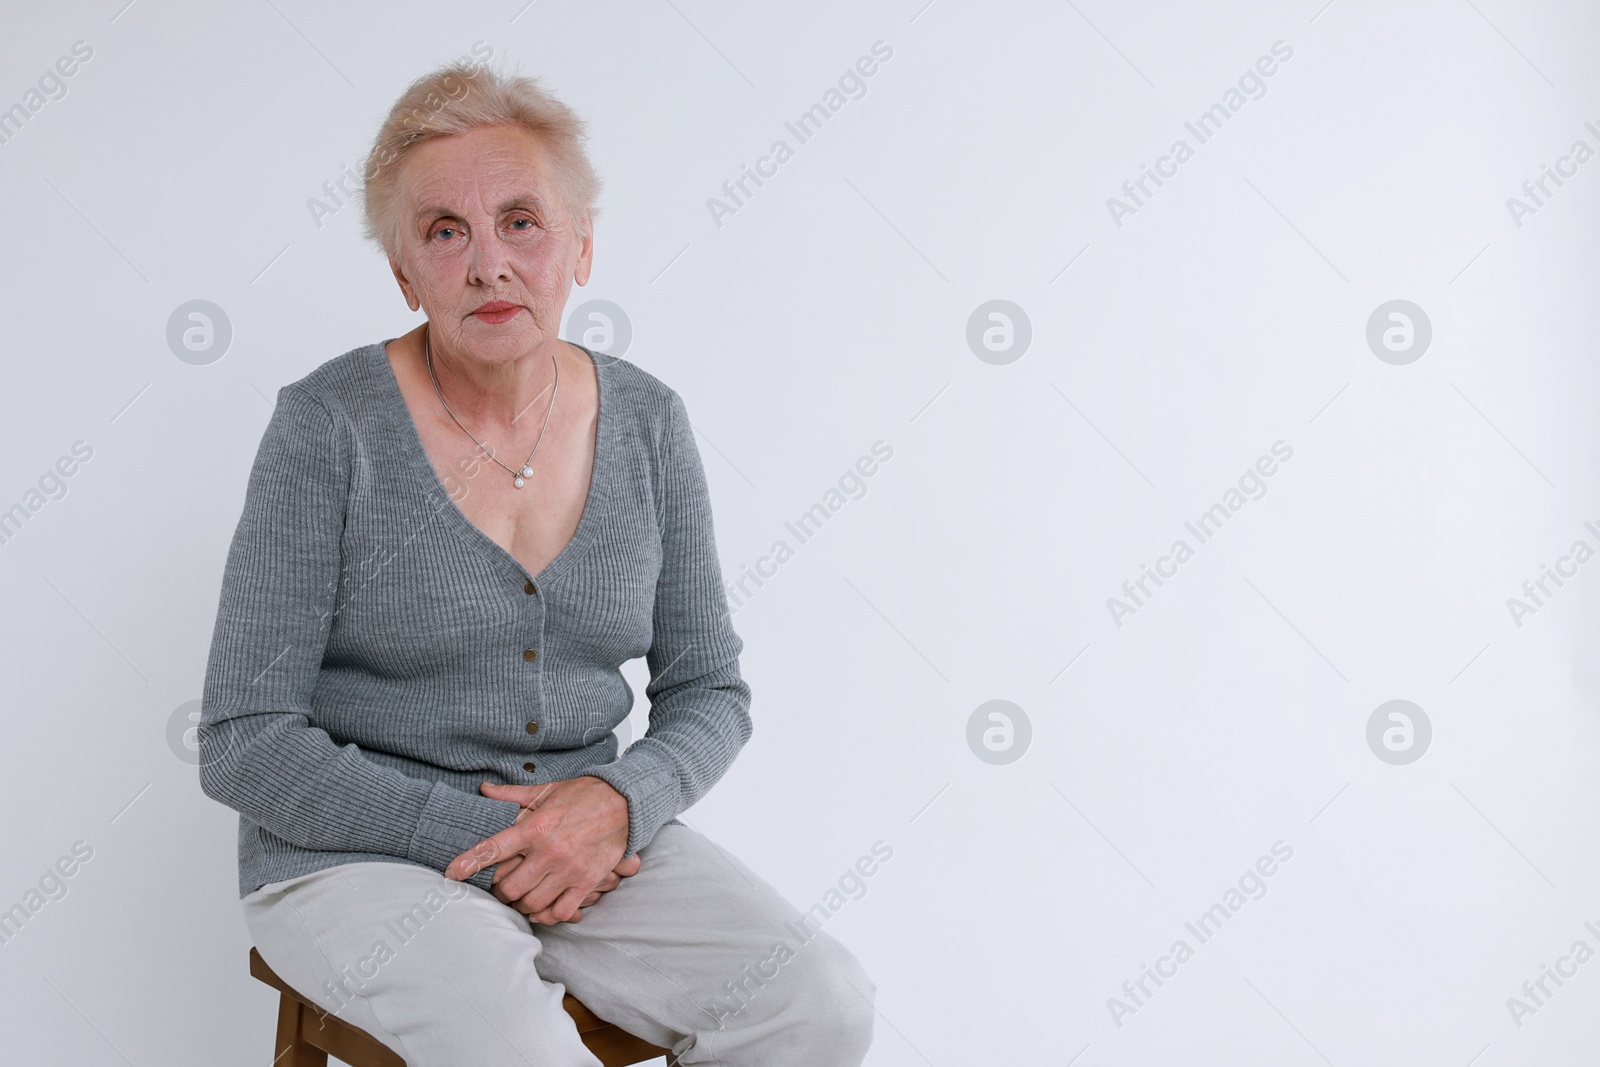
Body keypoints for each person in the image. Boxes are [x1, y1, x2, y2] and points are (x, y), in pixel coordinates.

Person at [198, 60, 875, 1066]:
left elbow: (709, 688)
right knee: (519, 1048)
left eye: (521, 220)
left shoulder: (648, 422)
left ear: (579, 247)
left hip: (584, 839)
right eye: (443, 231)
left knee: (814, 1000)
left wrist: (616, 801)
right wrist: (476, 836)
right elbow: (243, 739)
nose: (487, 264)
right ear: (403, 273)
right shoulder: (327, 425)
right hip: (352, 855)